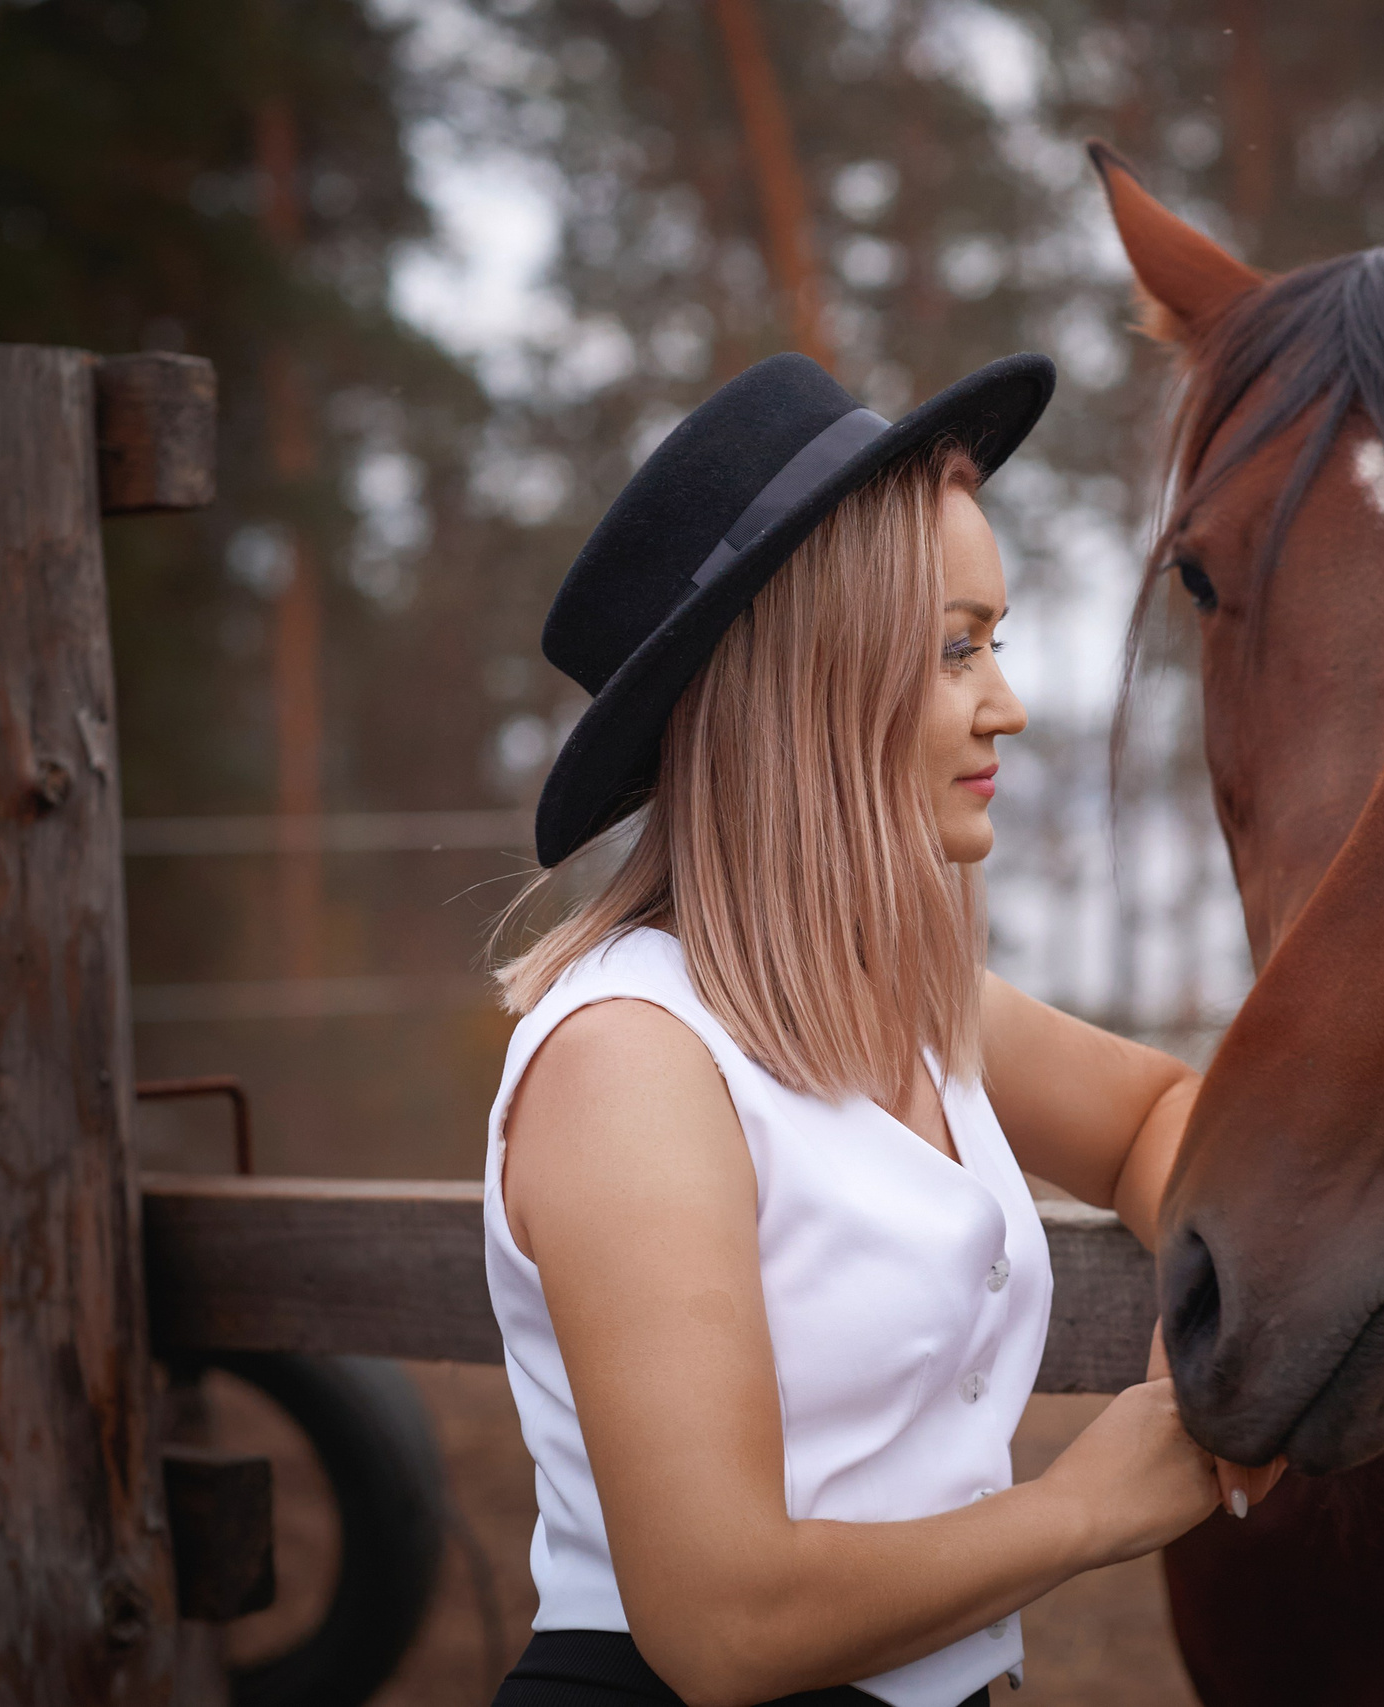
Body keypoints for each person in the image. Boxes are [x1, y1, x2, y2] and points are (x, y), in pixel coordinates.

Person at [483, 351, 1276, 1707]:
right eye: (957, 646)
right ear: (815, 681)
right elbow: (723, 1629)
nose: (1005, 703)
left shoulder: (908, 1004)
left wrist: (1218, 1314)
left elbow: (1167, 1117)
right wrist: (1090, 1507)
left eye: (999, 641)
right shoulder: (632, 1062)